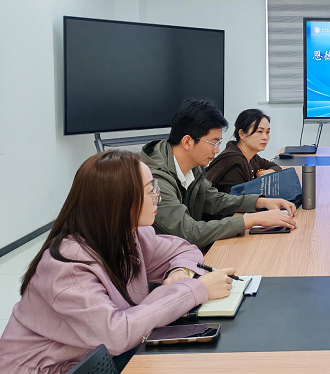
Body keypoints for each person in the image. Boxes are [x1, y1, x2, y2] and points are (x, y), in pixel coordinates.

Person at [0, 151, 237, 373]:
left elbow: (184, 249)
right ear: (120, 200)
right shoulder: (68, 266)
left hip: (95, 358)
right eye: (151, 189)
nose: (158, 196)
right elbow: (116, 335)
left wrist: (180, 272)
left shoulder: (128, 234)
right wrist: (194, 290)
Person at [140, 99, 296, 250]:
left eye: (219, 143)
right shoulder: (154, 180)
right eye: (213, 143)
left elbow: (214, 199)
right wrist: (252, 219)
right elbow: (189, 233)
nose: (217, 150)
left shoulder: (191, 166)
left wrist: (260, 202)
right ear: (187, 142)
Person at [206, 109, 283, 193]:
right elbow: (238, 200)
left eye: (267, 132)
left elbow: (276, 167)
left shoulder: (252, 157)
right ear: (242, 134)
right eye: (259, 131)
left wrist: (265, 173)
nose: (265, 137)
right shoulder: (235, 165)